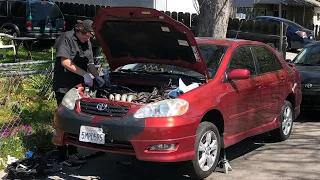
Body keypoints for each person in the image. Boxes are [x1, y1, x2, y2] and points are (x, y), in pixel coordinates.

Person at [52, 19, 105, 168]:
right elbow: (65, 62)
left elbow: (90, 63)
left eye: (89, 37)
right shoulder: (67, 38)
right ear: (80, 30)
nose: (87, 39)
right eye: (86, 36)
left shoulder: (86, 42)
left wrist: (97, 77)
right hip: (64, 86)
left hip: (78, 87)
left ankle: (73, 154)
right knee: (63, 120)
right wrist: (84, 74)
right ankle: (62, 155)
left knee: (75, 120)